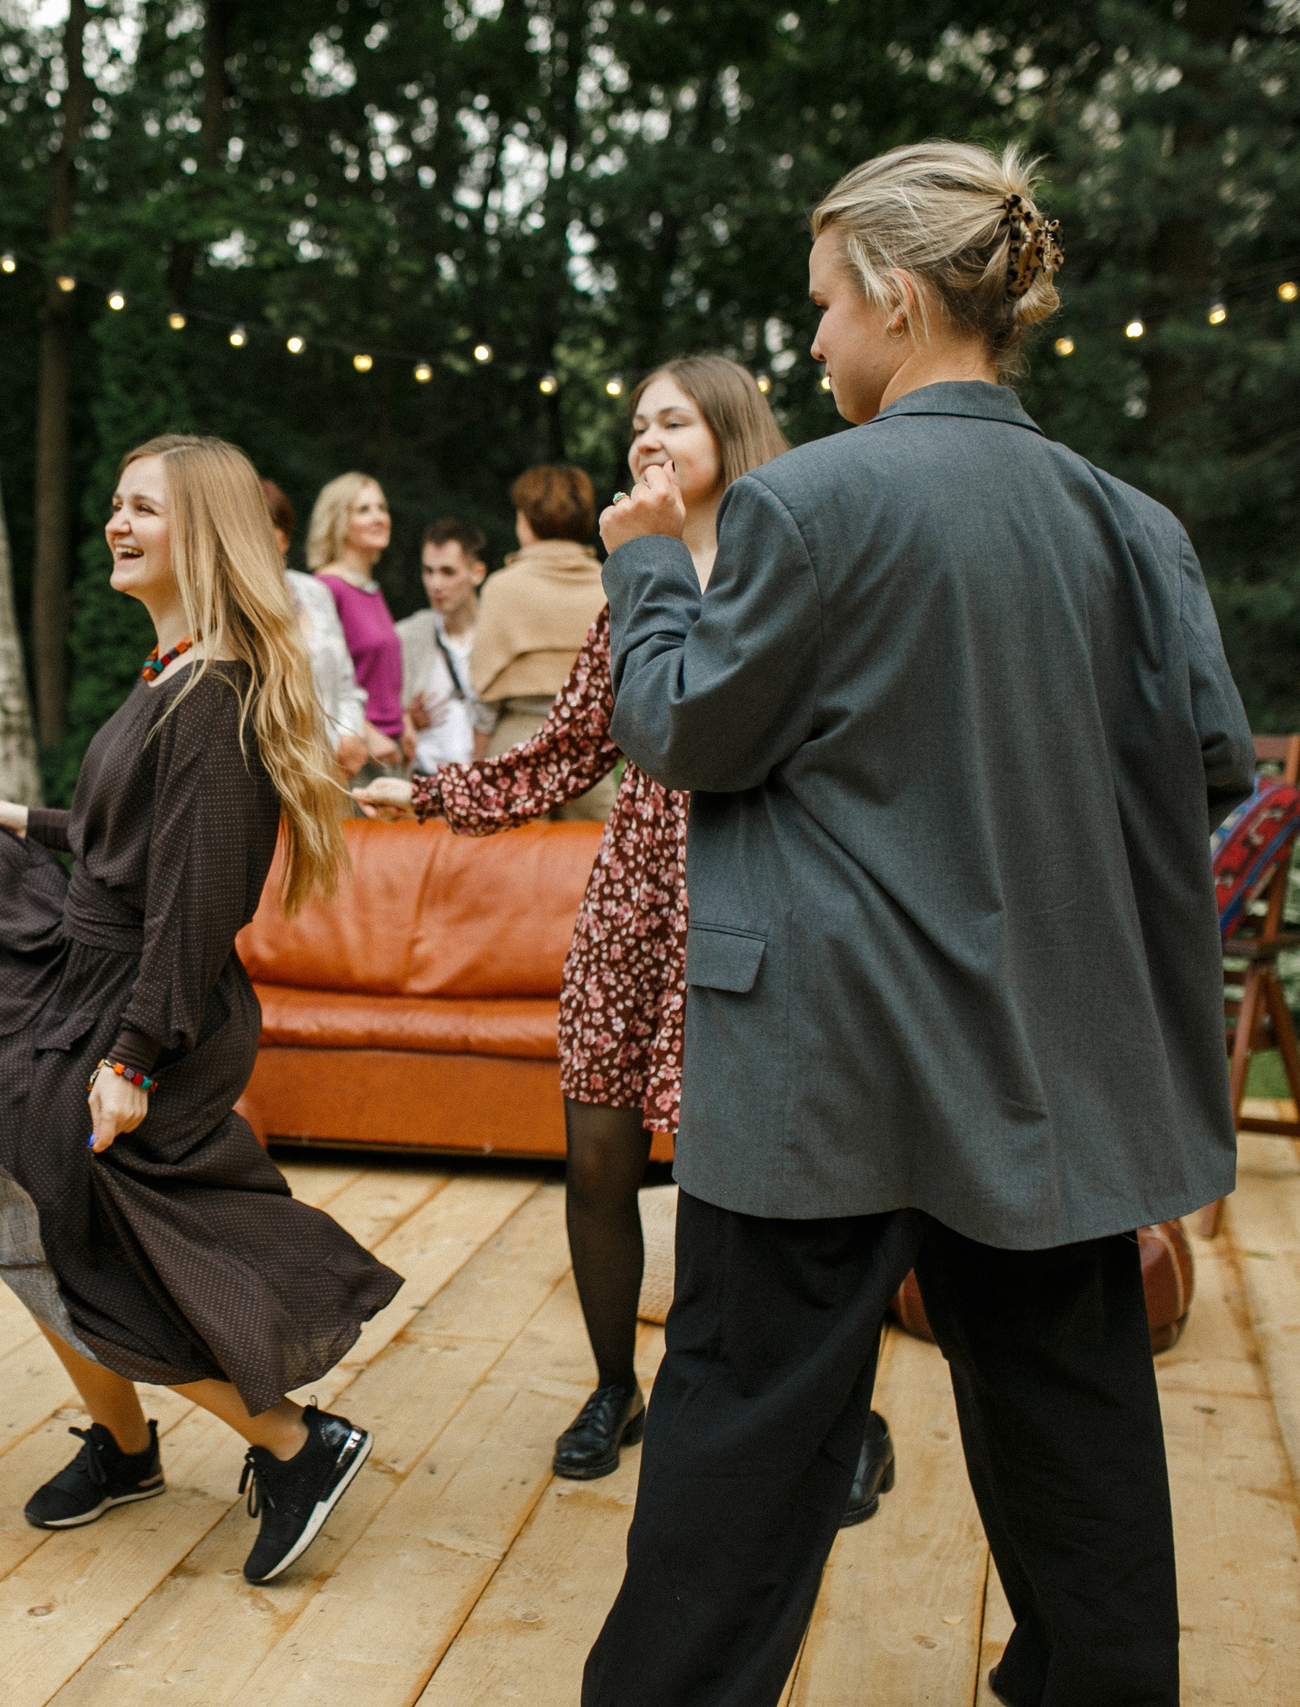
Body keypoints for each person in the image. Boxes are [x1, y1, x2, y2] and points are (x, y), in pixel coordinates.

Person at [582, 143, 1253, 1707]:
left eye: (824, 305)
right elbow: (1207, 762)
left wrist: (647, 577)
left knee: (741, 1443)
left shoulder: (810, 505)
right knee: (1076, 1435)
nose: (813, 342)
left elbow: (683, 731)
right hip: (1046, 1066)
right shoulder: (1133, 522)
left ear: (893, 292)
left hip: (829, 1062)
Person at [362, 360, 898, 1514]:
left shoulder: (792, 563)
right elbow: (567, 754)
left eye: (672, 419)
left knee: (762, 1183)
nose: (646, 437)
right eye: (636, 424)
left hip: (753, 894)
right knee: (599, 1159)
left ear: (731, 430)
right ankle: (618, 1386)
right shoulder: (632, 585)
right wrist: (424, 792)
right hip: (633, 899)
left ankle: (833, 1415)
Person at [0, 434, 401, 1587]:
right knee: (26, 1223)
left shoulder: (213, 695)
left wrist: (131, 1054)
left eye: (144, 510)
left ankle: (293, 1442)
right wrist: (31, 825)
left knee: (72, 1242)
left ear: (205, 536)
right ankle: (130, 1450)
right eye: (115, 504)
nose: (116, 525)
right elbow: (132, 844)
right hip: (91, 985)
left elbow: (195, 902)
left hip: (138, 1006)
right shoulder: (170, 672)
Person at [471, 465, 613, 820]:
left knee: (514, 866)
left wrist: (476, 761)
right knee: (591, 860)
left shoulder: (501, 588)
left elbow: (484, 697)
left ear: (527, 519)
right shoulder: (611, 585)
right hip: (588, 743)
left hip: (517, 740)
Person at [265, 478, 371, 779]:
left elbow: (346, 681)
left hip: (333, 766)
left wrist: (350, 734)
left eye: (266, 527)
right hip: (274, 774)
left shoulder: (314, 592)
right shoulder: (229, 605)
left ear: (284, 534)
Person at [305, 472, 406, 776]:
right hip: (352, 751)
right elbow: (315, 680)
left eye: (382, 508)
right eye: (363, 510)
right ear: (338, 522)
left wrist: (406, 722)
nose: (378, 517)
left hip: (390, 746)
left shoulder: (370, 588)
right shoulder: (325, 588)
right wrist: (366, 733)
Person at [397, 519, 491, 773]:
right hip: (423, 784)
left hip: (485, 786)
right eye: (428, 571)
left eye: (448, 572)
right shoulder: (407, 635)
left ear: (477, 573)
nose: (435, 584)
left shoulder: (498, 635)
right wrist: (405, 719)